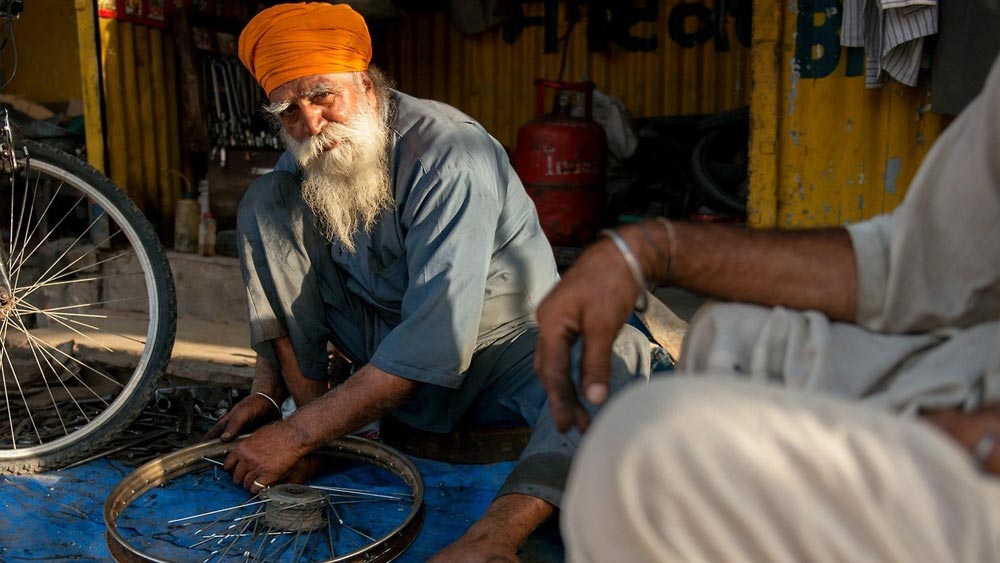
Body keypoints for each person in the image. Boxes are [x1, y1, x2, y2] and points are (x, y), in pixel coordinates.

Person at [205, 3, 651, 560]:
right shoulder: (307, 157)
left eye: (323, 97)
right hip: (383, 355)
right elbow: (281, 273)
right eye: (289, 110)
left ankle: (495, 537)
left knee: (617, 355)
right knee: (265, 201)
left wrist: (296, 433)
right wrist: (268, 392)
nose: (310, 123)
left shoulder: (447, 153)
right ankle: (323, 435)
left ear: (365, 86)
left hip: (502, 355)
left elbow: (437, 338)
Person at [534, 53, 1000, 561]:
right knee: (723, 333)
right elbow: (917, 263)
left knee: (641, 454)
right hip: (974, 359)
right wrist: (647, 250)